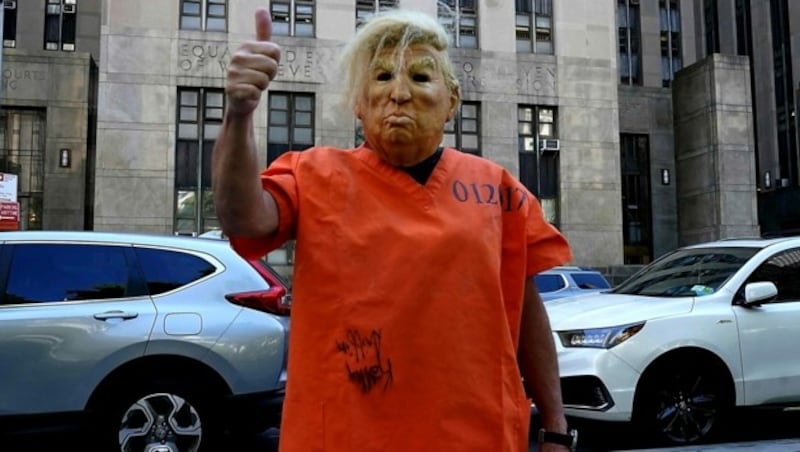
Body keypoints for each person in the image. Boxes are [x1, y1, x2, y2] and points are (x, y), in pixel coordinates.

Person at [212, 6, 575, 452]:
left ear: (452, 104)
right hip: (346, 433)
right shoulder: (314, 174)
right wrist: (239, 114)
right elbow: (242, 217)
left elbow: (527, 314)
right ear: (359, 104)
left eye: (421, 79)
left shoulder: (497, 189)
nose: (399, 93)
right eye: (382, 78)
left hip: (476, 431)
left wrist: (555, 424)